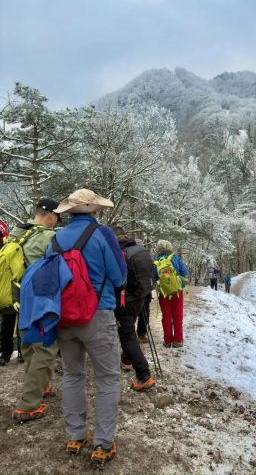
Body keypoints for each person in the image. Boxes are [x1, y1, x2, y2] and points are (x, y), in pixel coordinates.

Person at [48, 189, 127, 466]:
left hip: (64, 317)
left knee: (72, 375)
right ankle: (102, 444)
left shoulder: (56, 239)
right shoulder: (102, 234)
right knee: (107, 378)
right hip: (97, 315)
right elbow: (119, 277)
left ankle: (75, 436)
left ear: (70, 211)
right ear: (94, 210)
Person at [10, 199, 60, 419]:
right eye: (56, 217)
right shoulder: (48, 236)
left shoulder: (17, 234)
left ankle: (41, 385)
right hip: (40, 298)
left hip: (19, 296)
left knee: (29, 344)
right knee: (45, 348)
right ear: (49, 215)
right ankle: (28, 406)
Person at [112, 226, 155, 391]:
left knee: (127, 336)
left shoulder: (118, 253)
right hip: (140, 297)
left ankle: (144, 375)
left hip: (125, 300)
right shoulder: (139, 249)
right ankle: (126, 360)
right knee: (128, 331)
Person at [153, 240, 188, 348]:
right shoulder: (176, 258)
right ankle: (178, 340)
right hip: (177, 291)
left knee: (166, 316)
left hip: (164, 293)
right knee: (177, 315)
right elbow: (185, 273)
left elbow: (154, 277)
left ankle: (167, 341)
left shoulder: (157, 261)